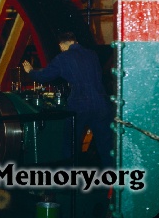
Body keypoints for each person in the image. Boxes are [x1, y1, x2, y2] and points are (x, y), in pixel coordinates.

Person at [22, 31, 113, 169]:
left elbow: (44, 76)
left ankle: (70, 180)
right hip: (102, 104)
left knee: (70, 145)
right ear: (74, 41)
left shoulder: (63, 58)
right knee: (106, 146)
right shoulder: (92, 54)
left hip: (80, 105)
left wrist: (30, 71)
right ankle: (113, 182)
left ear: (62, 45)